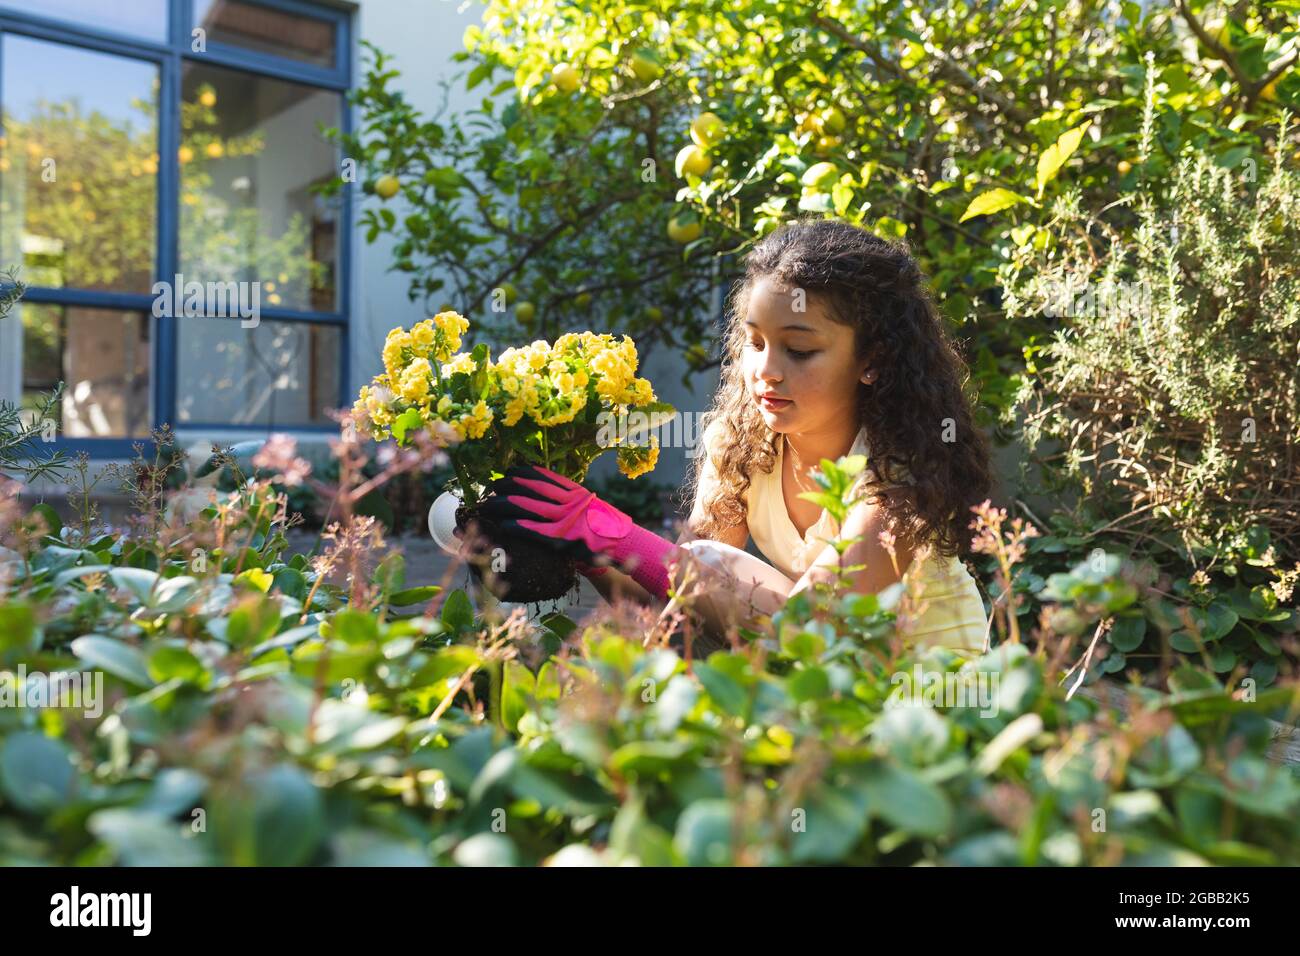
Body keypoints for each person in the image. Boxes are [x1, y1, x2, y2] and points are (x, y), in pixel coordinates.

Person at [477, 217, 992, 653]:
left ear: (872, 361)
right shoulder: (744, 442)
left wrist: (619, 534)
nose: (766, 369)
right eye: (755, 341)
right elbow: (679, 608)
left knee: (708, 563)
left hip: (930, 708)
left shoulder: (900, 486)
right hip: (825, 692)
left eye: (800, 350)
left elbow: (810, 631)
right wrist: (584, 550)